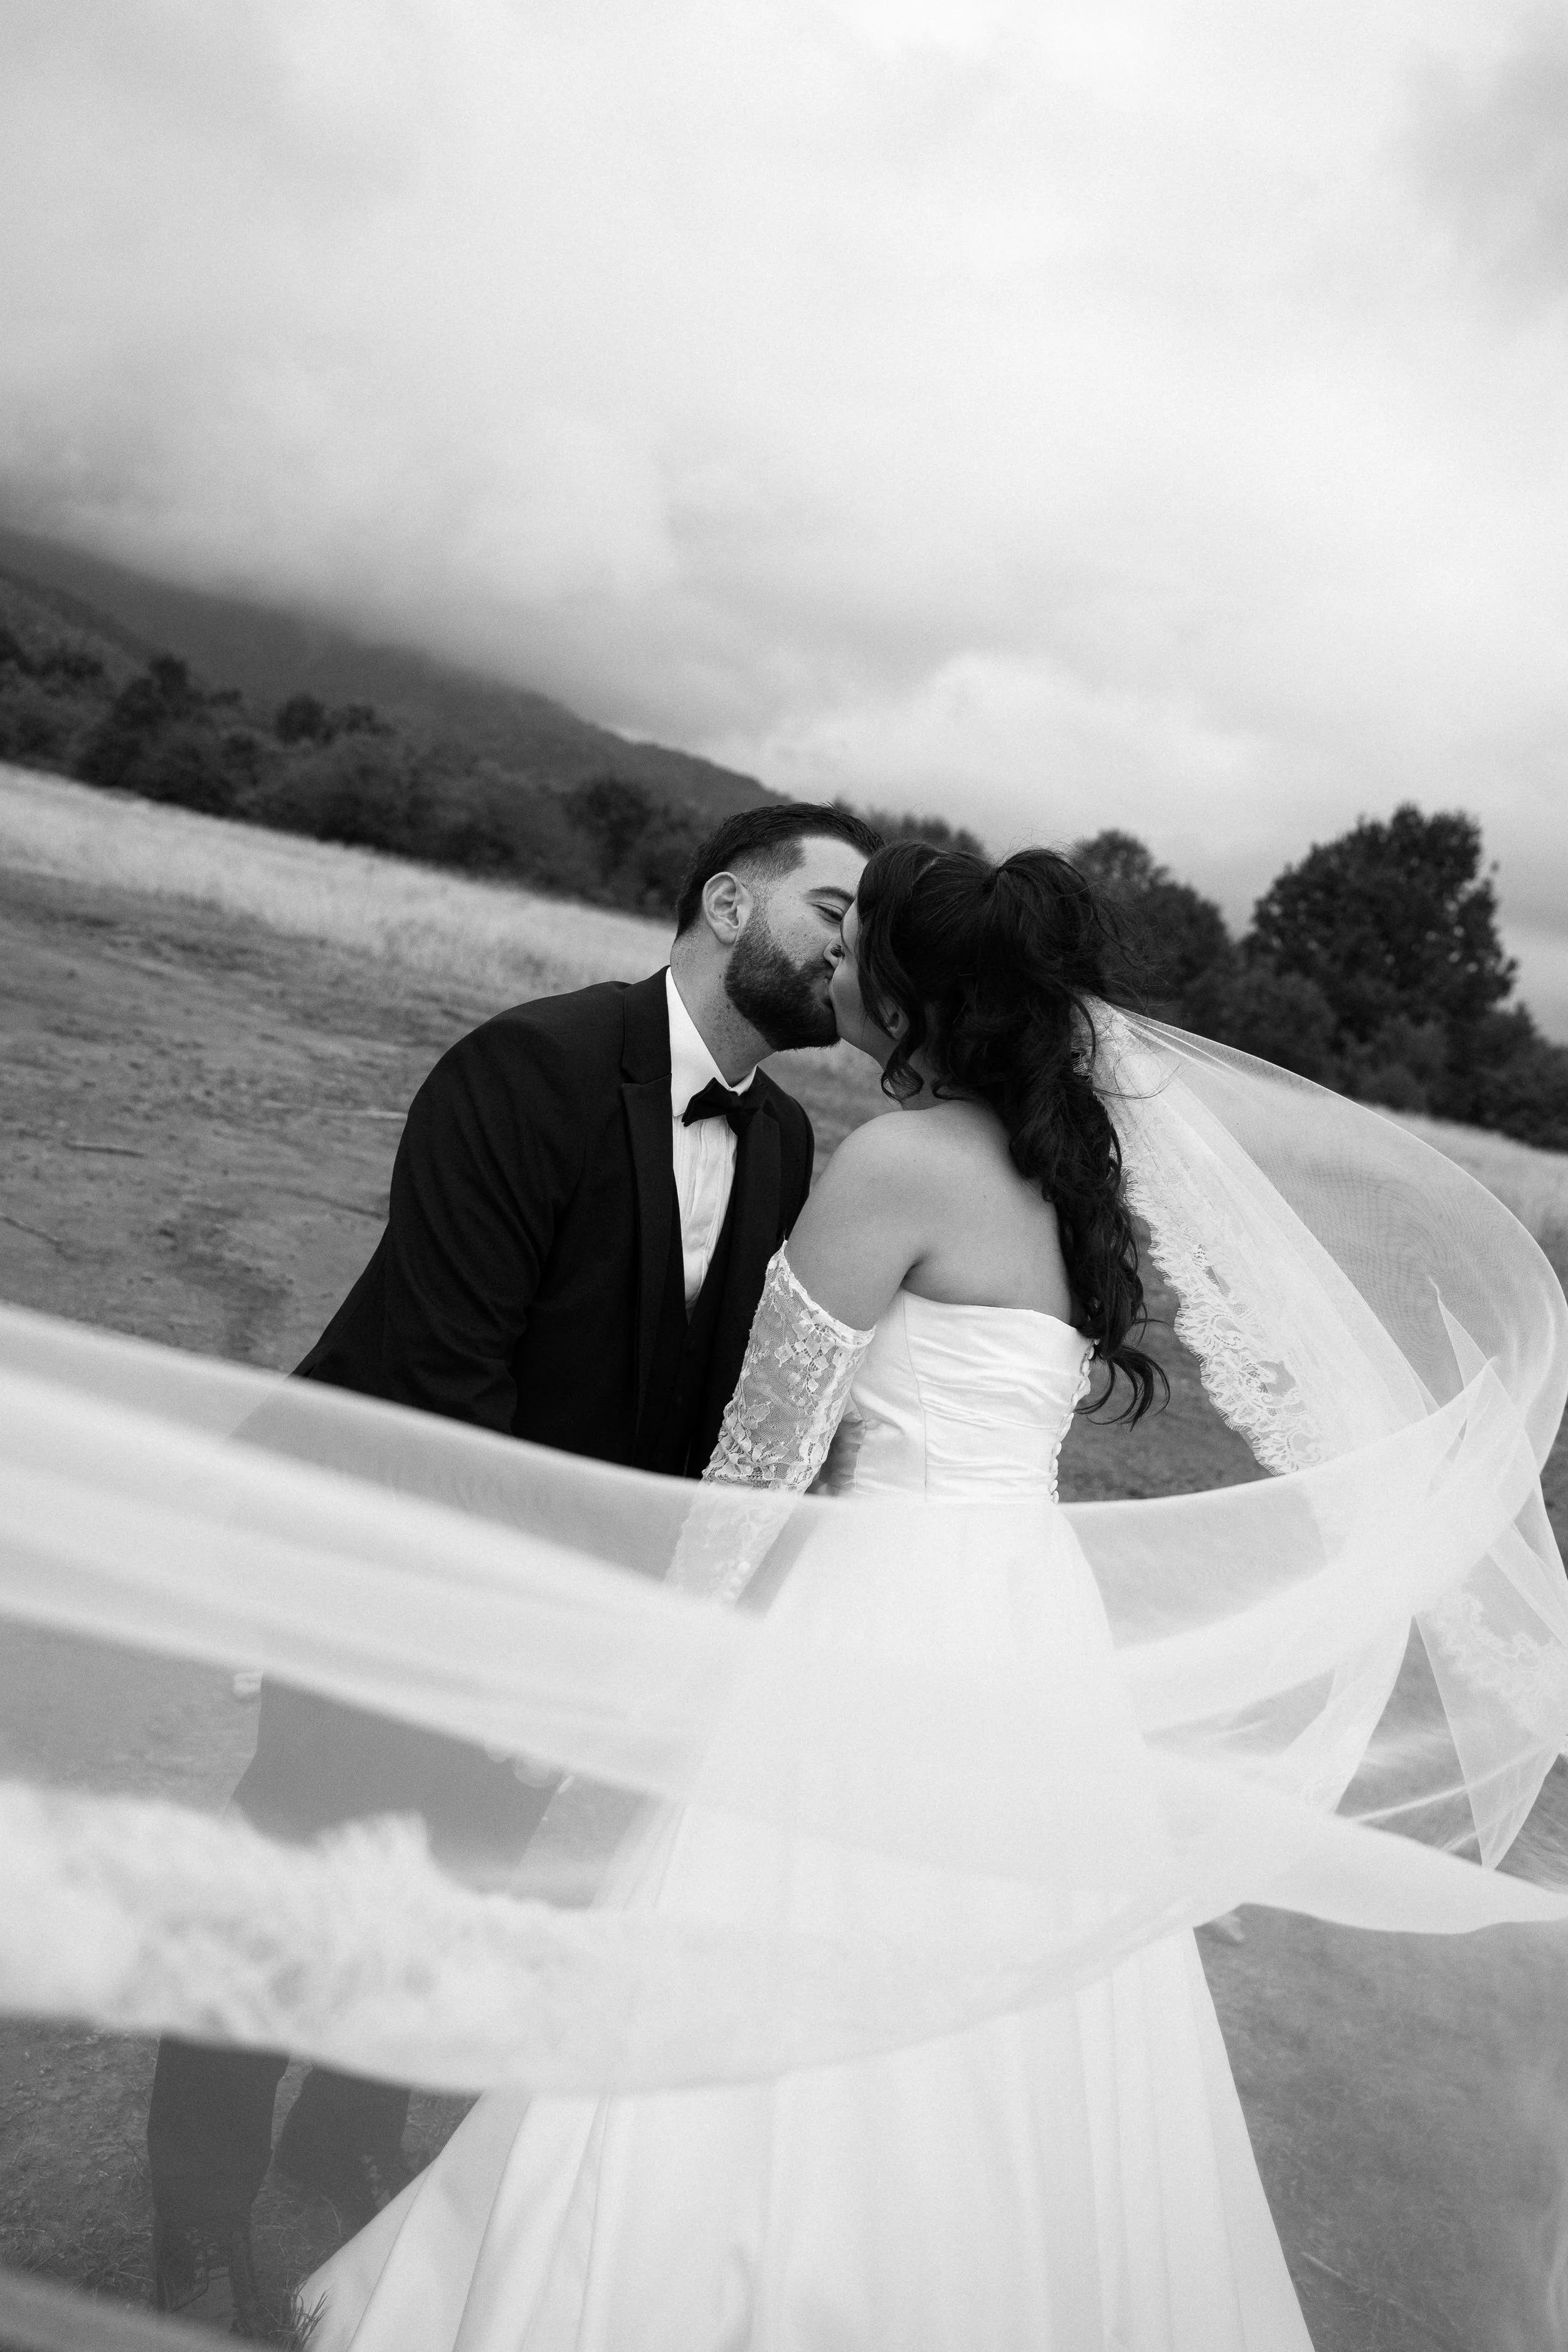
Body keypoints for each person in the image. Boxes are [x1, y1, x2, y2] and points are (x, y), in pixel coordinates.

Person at [300, 841, 1315, 2349]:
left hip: (880, 1609)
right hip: (1024, 1631)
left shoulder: (894, 1166)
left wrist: (627, 1665)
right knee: (1003, 1986)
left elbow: (762, 1456)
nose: (831, 969)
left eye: (858, 950)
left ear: (911, 993)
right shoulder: (1058, 1175)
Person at [145, 798, 881, 2328]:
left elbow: (712, 1402)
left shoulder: (792, 1140)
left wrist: (625, 1634)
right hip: (384, 1554)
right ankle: (198, 2207)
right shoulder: (528, 1065)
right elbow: (442, 1378)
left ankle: (352, 2136)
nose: (851, 948)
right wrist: (507, 1639)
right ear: (729, 903)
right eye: (833, 910)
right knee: (297, 1861)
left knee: (470, 1880)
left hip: (582, 1597)